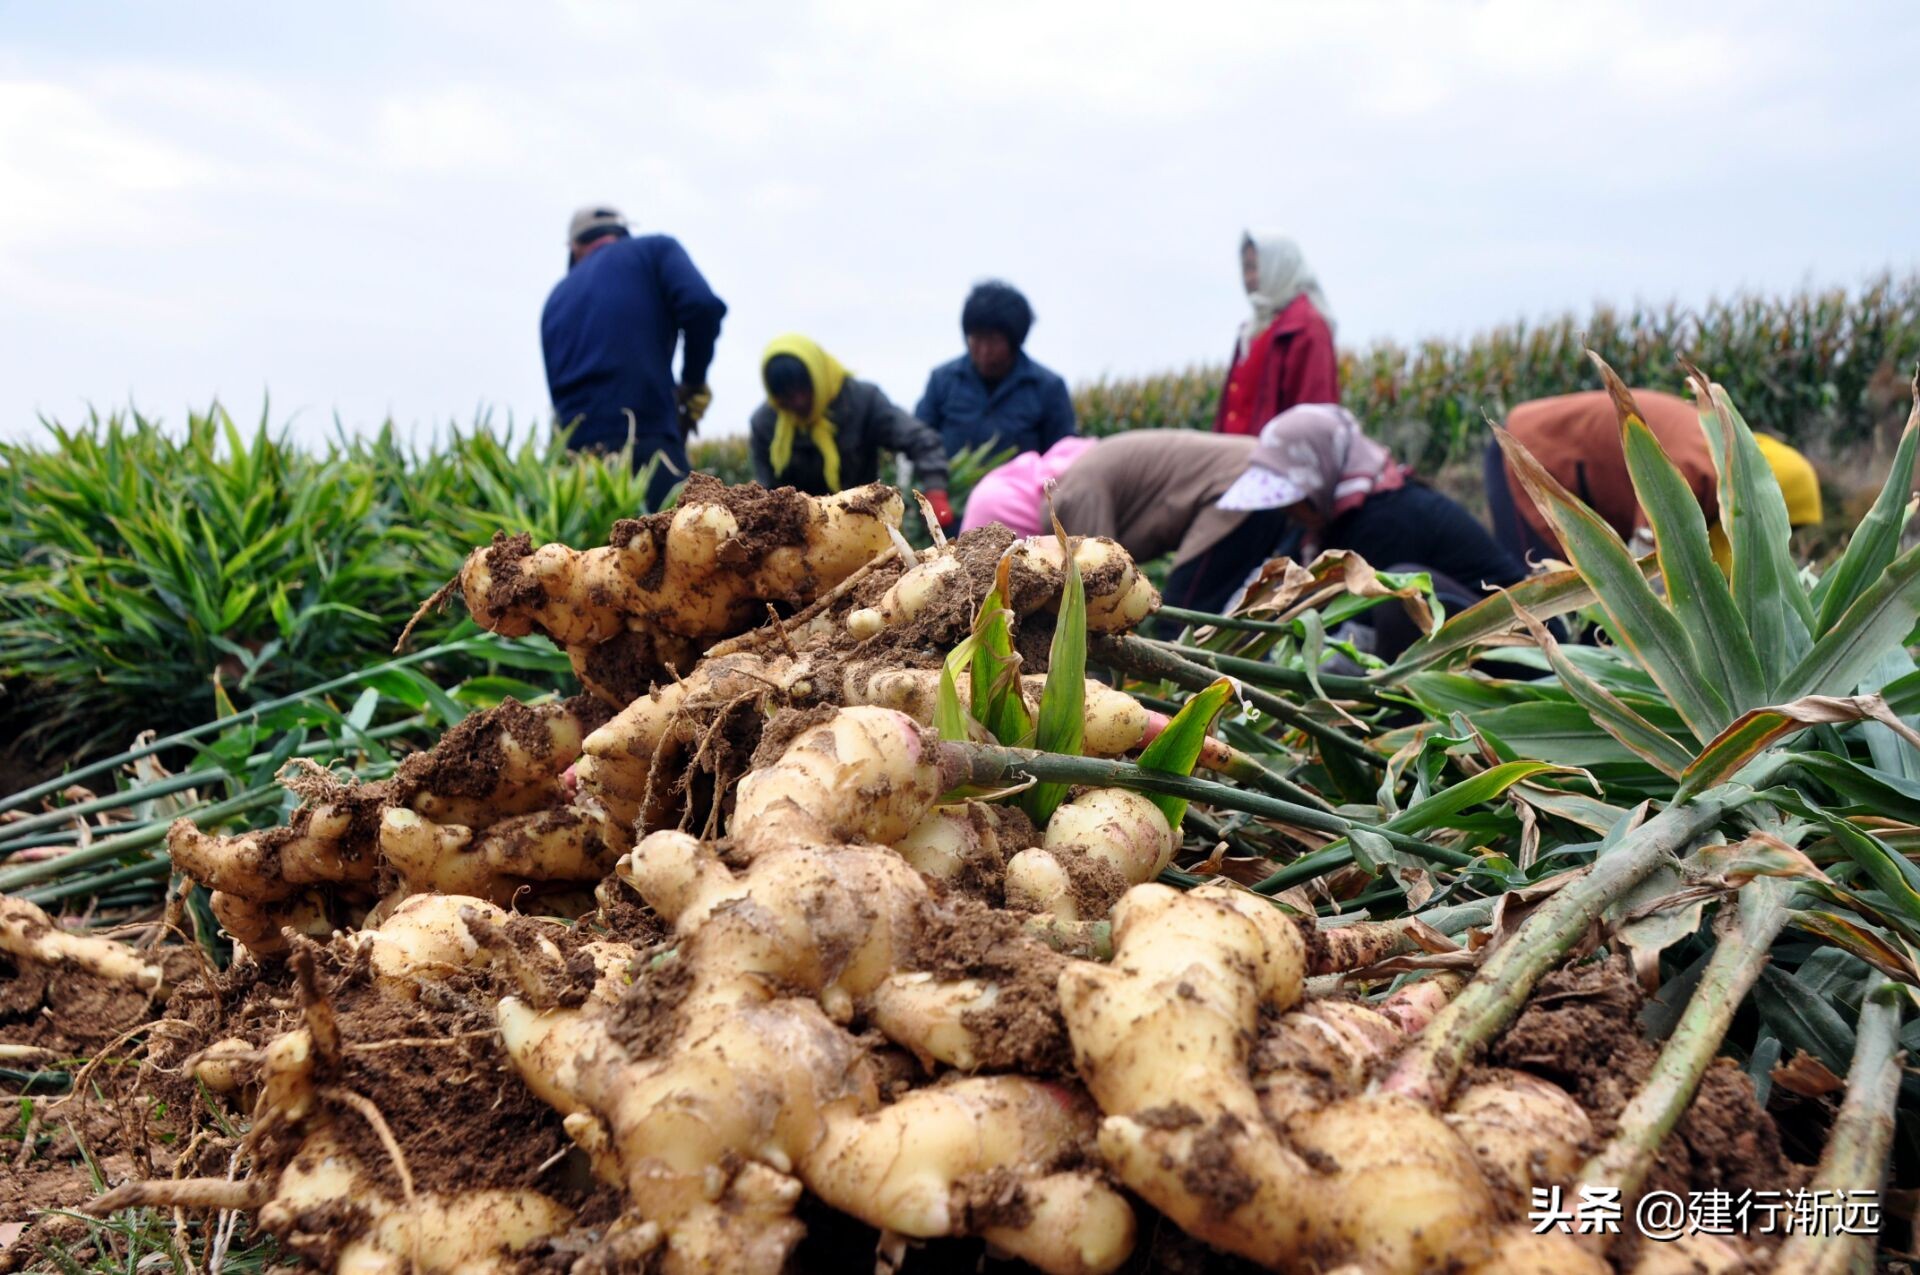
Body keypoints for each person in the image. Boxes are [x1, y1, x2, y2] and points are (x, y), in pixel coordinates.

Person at [1204, 405, 1526, 657]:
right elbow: (1265, 583)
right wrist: (1214, 641)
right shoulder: (1317, 523)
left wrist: (1279, 684)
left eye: (1294, 496)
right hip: (1445, 645)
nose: (1288, 509)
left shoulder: (1387, 520)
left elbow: (1358, 639)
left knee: (1399, 590)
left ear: (1321, 472)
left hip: (1513, 648)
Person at [1486, 389, 1823, 567]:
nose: (1780, 544)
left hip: (1578, 481)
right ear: (1766, 502)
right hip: (1528, 456)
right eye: (1783, 527)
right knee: (1545, 603)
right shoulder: (1691, 471)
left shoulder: (1726, 463)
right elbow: (1647, 565)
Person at [541, 205, 728, 509]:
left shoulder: (555, 299)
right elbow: (702, 307)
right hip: (650, 450)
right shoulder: (655, 250)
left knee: (592, 543)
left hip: (577, 476)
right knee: (687, 535)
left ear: (574, 248)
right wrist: (693, 382)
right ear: (622, 233)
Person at [749, 334, 954, 528]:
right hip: (801, 535)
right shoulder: (766, 423)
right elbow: (766, 490)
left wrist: (935, 489)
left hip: (866, 525)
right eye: (787, 396)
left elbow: (920, 440)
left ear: (817, 376)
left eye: (803, 389)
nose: (798, 402)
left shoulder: (863, 401)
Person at [916, 281, 1077, 459]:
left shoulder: (1048, 388)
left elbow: (1063, 457)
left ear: (1014, 341)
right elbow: (918, 441)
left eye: (994, 341)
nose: (984, 351)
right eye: (977, 339)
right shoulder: (942, 381)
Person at [1215, 231, 1340, 436]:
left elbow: (1314, 421)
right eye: (1245, 268)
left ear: (1279, 267)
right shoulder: (1250, 331)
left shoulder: (1307, 329)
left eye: (1255, 267)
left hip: (1276, 456)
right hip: (1241, 455)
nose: (1248, 279)